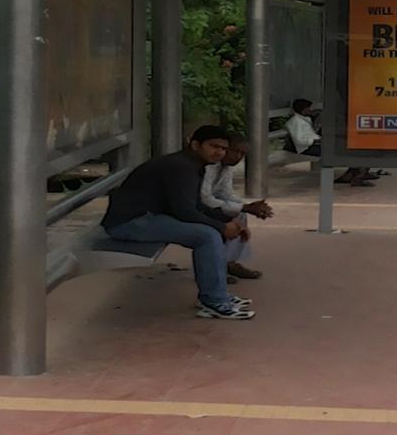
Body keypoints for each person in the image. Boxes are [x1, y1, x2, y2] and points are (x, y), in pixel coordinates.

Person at [101, 125, 254, 320]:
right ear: (195, 145)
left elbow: (195, 205)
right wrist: (222, 227)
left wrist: (227, 220)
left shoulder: (192, 165)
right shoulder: (180, 167)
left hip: (148, 217)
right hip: (129, 223)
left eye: (223, 149)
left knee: (210, 232)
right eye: (213, 146)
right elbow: (185, 211)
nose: (219, 152)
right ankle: (214, 301)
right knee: (207, 236)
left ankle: (216, 296)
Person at [199, 134, 273, 280]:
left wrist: (249, 206)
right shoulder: (208, 165)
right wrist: (245, 207)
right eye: (236, 151)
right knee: (234, 214)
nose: (238, 157)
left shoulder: (226, 167)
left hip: (207, 204)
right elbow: (205, 199)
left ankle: (229, 262)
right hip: (192, 207)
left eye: (243, 154)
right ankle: (217, 267)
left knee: (239, 214)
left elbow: (225, 192)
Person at [284, 98, 374, 186]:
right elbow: (300, 140)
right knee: (343, 150)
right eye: (309, 108)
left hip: (317, 144)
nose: (311, 110)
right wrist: (317, 140)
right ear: (303, 109)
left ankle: (353, 173)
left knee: (349, 147)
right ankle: (357, 174)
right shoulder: (295, 122)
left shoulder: (305, 119)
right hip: (308, 148)